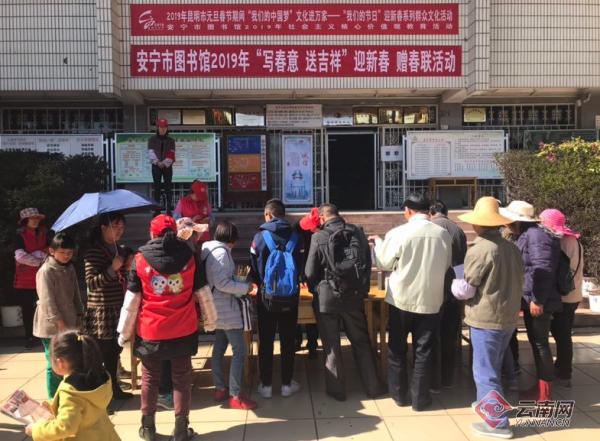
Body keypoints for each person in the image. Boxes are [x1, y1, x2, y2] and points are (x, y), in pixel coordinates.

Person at [118, 215, 201, 441]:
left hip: (151, 330)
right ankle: (181, 429)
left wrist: (124, 332)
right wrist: (212, 320)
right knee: (181, 378)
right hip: (183, 328)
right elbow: (201, 291)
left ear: (152, 233)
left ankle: (147, 428)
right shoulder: (190, 256)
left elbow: (132, 300)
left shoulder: (139, 259)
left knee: (149, 378)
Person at [370, 193, 452, 411]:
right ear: (428, 210)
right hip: (431, 299)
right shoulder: (443, 234)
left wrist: (378, 244)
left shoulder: (398, 233)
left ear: (407, 210)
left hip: (402, 300)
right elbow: (446, 265)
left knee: (397, 348)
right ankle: (420, 399)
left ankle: (399, 394)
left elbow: (384, 263)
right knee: (423, 350)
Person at [451, 197, 524, 439]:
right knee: (494, 365)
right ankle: (490, 405)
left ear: (478, 224)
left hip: (486, 318)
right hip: (508, 317)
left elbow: (467, 289)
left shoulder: (480, 249)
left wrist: (454, 285)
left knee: (485, 372)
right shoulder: (511, 247)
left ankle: (497, 423)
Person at [305, 203, 384, 401]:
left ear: (322, 218)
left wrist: (316, 288)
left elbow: (309, 272)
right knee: (361, 342)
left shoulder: (318, 237)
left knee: (331, 345)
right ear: (338, 215)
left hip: (327, 298)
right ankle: (373, 387)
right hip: (353, 296)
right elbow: (367, 263)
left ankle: (337, 391)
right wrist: (362, 288)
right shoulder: (357, 232)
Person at [502, 201, 562, 401]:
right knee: (537, 343)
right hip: (532, 298)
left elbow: (542, 269)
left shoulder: (535, 236)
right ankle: (541, 388)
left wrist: (537, 299)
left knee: (540, 344)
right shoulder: (528, 235)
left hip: (538, 300)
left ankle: (545, 394)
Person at [250, 198, 304, 399]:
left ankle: (265, 385)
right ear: (283, 215)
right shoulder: (296, 237)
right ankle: (287, 384)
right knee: (288, 339)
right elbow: (301, 265)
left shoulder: (259, 237)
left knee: (266, 340)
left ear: (268, 215)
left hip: (267, 297)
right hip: (290, 296)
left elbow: (253, 267)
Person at [202, 221, 258, 410]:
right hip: (225, 308)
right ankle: (235, 395)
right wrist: (245, 287)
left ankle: (220, 388)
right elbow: (222, 283)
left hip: (214, 306)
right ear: (232, 239)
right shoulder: (221, 253)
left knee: (219, 348)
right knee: (240, 350)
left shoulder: (208, 249)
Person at [25, 331, 120, 441]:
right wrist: (52, 406)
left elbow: (65, 427)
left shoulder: (70, 391)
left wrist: (36, 430)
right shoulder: (101, 376)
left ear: (60, 362)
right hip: (105, 435)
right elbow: (85, 407)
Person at [84, 213, 133, 401]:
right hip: (101, 310)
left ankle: (113, 388)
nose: (120, 231)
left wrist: (124, 268)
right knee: (100, 354)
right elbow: (91, 283)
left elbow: (119, 277)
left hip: (117, 306)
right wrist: (112, 268)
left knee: (114, 351)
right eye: (115, 226)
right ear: (103, 228)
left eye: (122, 227)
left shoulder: (116, 249)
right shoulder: (93, 252)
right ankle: (97, 394)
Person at [33, 233, 84, 399]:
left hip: (70, 320)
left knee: (70, 361)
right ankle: (53, 398)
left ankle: (68, 395)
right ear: (51, 251)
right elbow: (47, 300)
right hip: (51, 325)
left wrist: (80, 314)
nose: (66, 256)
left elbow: (76, 293)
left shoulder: (70, 268)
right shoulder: (46, 271)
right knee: (54, 363)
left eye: (70, 252)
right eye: (62, 252)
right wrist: (60, 324)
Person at [540, 209, 584, 388]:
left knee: (562, 335)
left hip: (564, 296)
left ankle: (564, 373)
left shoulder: (562, 242)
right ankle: (562, 369)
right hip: (574, 294)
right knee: (564, 333)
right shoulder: (574, 240)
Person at [429, 200, 467, 390]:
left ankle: (434, 381)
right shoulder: (458, 230)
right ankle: (448, 378)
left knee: (432, 335)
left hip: (435, 288)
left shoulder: (431, 228)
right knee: (450, 335)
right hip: (455, 287)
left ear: (431, 212)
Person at [13, 207, 48, 349]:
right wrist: (39, 259)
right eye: (32, 218)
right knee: (28, 310)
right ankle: (29, 337)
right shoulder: (20, 236)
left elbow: (49, 250)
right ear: (25, 221)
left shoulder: (45, 234)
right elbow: (20, 256)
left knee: (44, 307)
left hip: (43, 277)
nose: (35, 220)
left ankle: (42, 335)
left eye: (37, 218)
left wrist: (37, 254)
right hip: (25, 279)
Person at [294, 207, 320, 359]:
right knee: (297, 312)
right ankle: (297, 341)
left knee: (312, 314)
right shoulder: (297, 228)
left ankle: (312, 344)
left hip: (313, 277)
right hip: (299, 275)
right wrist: (299, 277)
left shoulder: (321, 234)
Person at [148, 118, 176, 215]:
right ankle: (157, 210)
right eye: (161, 127)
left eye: (164, 127)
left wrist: (164, 163)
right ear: (157, 128)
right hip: (156, 166)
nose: (163, 129)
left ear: (167, 128)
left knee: (168, 188)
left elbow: (172, 153)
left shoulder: (171, 141)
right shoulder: (152, 140)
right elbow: (150, 152)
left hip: (167, 166)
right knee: (157, 188)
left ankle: (168, 210)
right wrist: (157, 162)